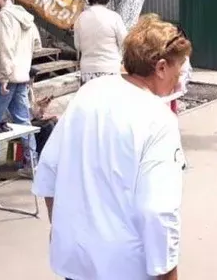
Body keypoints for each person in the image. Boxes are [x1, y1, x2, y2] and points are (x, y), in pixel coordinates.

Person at [33, 16, 191, 280]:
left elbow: (49, 169)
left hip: (75, 261)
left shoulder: (90, 92)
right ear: (161, 67)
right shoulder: (159, 118)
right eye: (179, 71)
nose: (178, 81)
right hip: (125, 267)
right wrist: (169, 274)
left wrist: (64, 231)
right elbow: (158, 212)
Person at [0, 0, 41, 177]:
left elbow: (5, 47)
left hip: (4, 77)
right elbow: (36, 44)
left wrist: (5, 76)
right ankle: (32, 164)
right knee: (23, 120)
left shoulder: (3, 17)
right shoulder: (25, 16)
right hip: (22, 75)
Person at [73, 0, 127, 85]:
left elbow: (77, 46)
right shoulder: (114, 17)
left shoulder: (80, 18)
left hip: (87, 71)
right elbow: (124, 42)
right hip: (110, 69)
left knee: (90, 101)